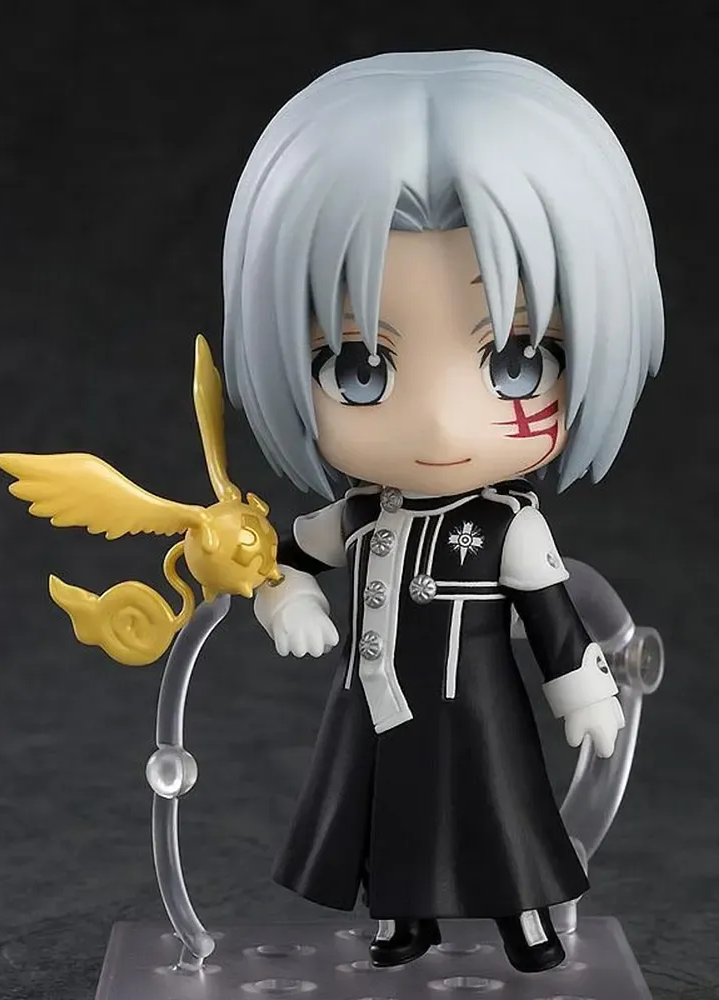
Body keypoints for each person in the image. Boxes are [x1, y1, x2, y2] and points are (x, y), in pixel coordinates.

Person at [222, 50, 663, 974]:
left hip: (477, 711)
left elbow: (553, 617)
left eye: (516, 361)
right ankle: (401, 919)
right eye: (358, 368)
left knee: (502, 809)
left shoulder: (510, 528)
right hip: (377, 707)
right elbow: (285, 558)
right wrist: (286, 601)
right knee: (385, 810)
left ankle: (526, 922)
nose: (438, 423)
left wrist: (584, 691)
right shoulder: (358, 515)